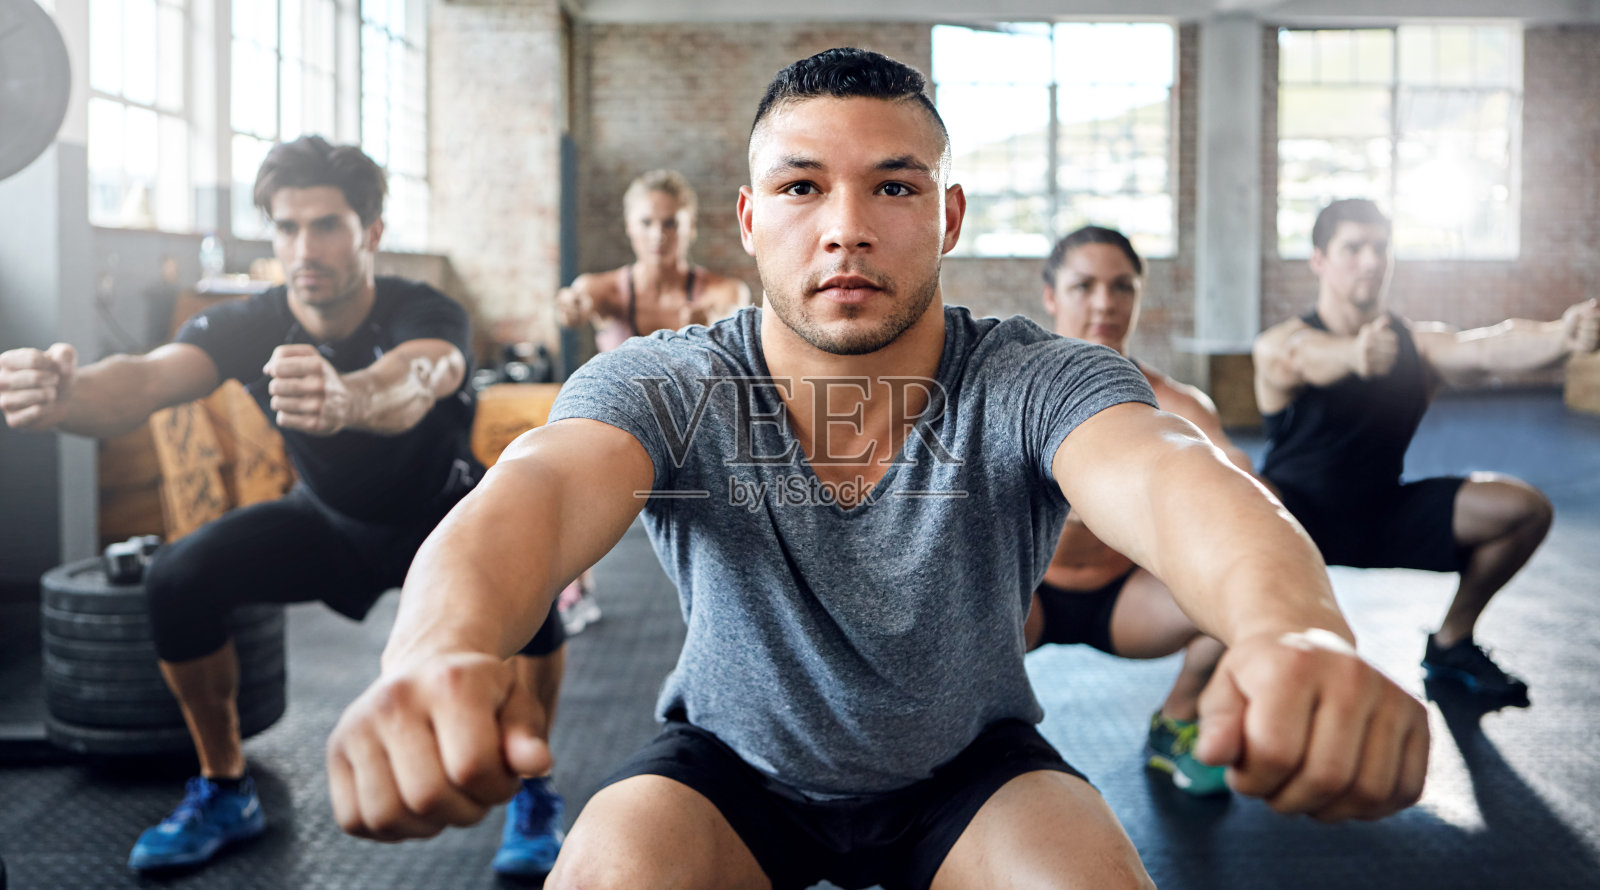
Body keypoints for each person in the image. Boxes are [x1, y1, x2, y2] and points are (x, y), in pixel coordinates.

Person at [326, 50, 1429, 889]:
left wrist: (1295, 629)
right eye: (803, 188)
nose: (846, 229)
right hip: (727, 768)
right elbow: (538, 486)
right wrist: (435, 649)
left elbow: (1174, 474)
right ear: (751, 220)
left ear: (946, 216)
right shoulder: (673, 380)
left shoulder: (1027, 376)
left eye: (893, 188)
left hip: (970, 768)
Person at [0, 136, 568, 878]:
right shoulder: (250, 322)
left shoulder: (423, 309)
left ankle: (535, 793)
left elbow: (417, 380)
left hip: (446, 518)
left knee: (537, 593)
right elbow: (142, 381)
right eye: (287, 226)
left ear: (370, 233)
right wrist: (65, 395)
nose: (306, 246)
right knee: (178, 576)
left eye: (327, 225)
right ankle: (224, 786)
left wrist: (347, 396)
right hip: (329, 522)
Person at [1253, 198, 1600, 706]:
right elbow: (1302, 358)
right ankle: (1254, 655)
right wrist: (1354, 355)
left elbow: (1488, 348)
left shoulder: (1419, 346)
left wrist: (1560, 335)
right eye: (1352, 248)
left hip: (1383, 514)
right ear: (1319, 260)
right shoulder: (1282, 343)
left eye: (1379, 248)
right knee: (1244, 500)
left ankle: (1451, 642)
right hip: (1294, 524)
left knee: (1523, 510)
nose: (1370, 262)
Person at [1031, 225, 1257, 797]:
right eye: (1084, 286)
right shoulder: (1012, 390)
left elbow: (1238, 484)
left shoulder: (1178, 403)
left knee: (1244, 591)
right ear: (1051, 296)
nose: (1105, 302)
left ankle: (1177, 720)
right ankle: (965, 747)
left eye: (1121, 287)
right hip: (1022, 597)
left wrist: (1223, 475)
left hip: (1127, 600)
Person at [552, 169, 753, 633]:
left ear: (690, 226)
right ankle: (573, 589)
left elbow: (734, 306)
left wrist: (709, 318)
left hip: (692, 430)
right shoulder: (606, 290)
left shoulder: (718, 291)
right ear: (628, 226)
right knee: (568, 472)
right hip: (622, 431)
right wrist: (570, 308)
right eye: (646, 223)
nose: (658, 235)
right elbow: (577, 300)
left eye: (670, 223)